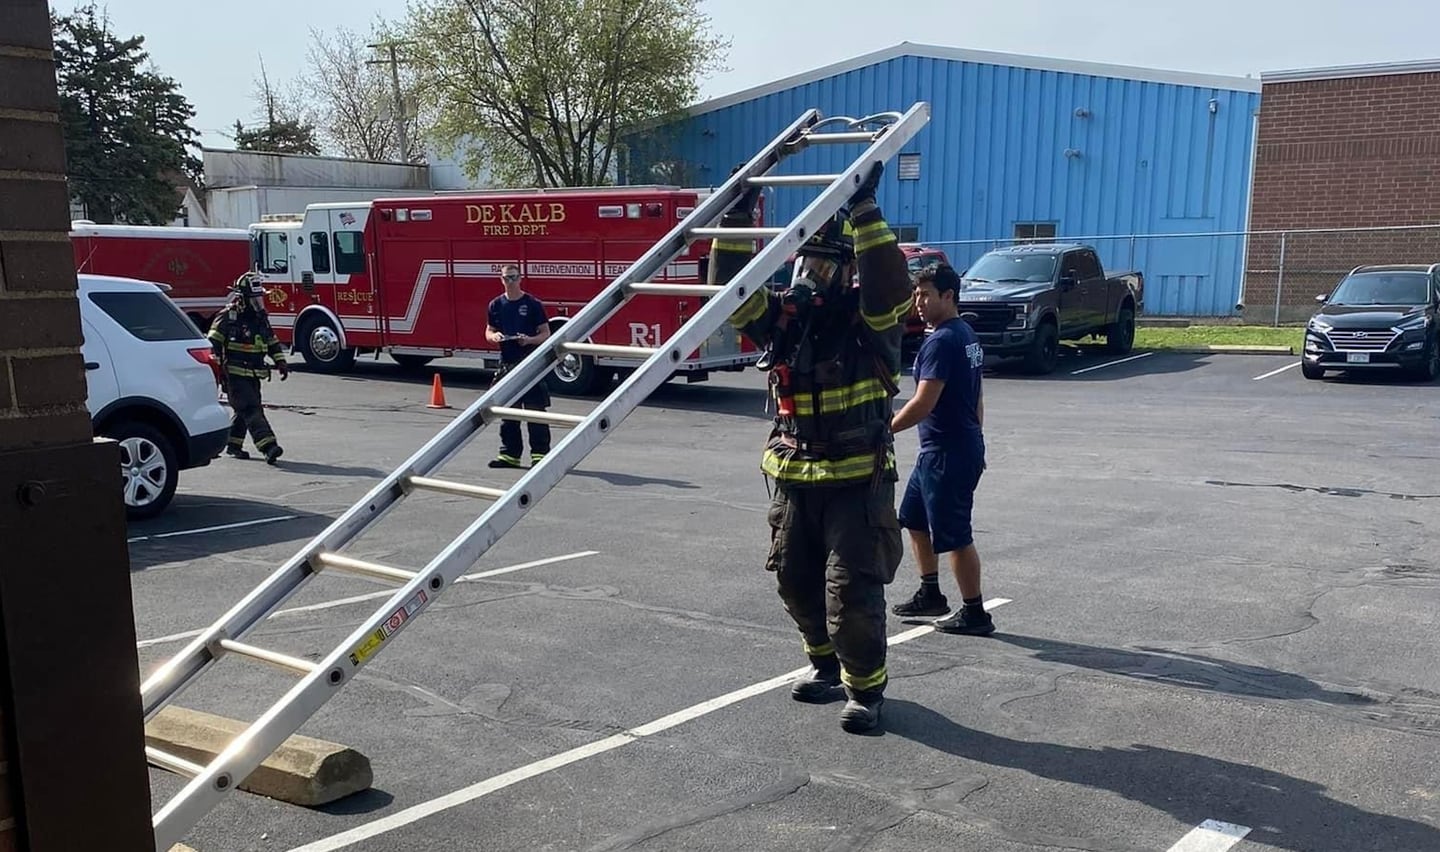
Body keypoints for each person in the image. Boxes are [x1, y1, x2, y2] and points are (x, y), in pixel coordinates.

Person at [722, 162, 914, 734]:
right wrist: (737, 214)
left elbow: (890, 285)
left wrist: (865, 211)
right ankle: (824, 667)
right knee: (794, 578)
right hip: (793, 475)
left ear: (847, 270)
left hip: (857, 481)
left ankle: (866, 689)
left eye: (825, 264)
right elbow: (734, 296)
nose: (812, 274)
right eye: (806, 262)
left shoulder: (870, 320)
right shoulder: (785, 319)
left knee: (850, 589)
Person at [889, 263, 994, 636]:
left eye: (926, 294)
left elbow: (923, 402)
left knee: (954, 534)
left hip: (947, 453)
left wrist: (884, 431)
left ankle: (975, 612)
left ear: (948, 296)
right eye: (916, 294)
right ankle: (931, 593)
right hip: (943, 450)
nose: (918, 301)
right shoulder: (965, 333)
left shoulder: (943, 340)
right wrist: (975, 437)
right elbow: (976, 394)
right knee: (914, 519)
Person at [209, 272, 288, 464]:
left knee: (244, 411)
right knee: (252, 409)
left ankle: (233, 444)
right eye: (254, 299)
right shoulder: (229, 316)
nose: (259, 302)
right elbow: (213, 343)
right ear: (243, 298)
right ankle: (268, 447)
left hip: (254, 374)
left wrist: (280, 361)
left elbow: (271, 340)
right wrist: (215, 370)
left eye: (260, 297)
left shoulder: (260, 319)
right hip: (234, 375)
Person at [486, 264, 552, 469]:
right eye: (507, 278)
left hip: (530, 364)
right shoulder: (495, 305)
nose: (510, 282)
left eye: (514, 278)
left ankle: (540, 455)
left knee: (535, 411)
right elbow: (488, 331)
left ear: (520, 278)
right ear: (501, 279)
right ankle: (509, 455)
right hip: (507, 364)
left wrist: (529, 340)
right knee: (509, 412)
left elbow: (546, 333)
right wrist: (494, 337)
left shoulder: (533, 304)